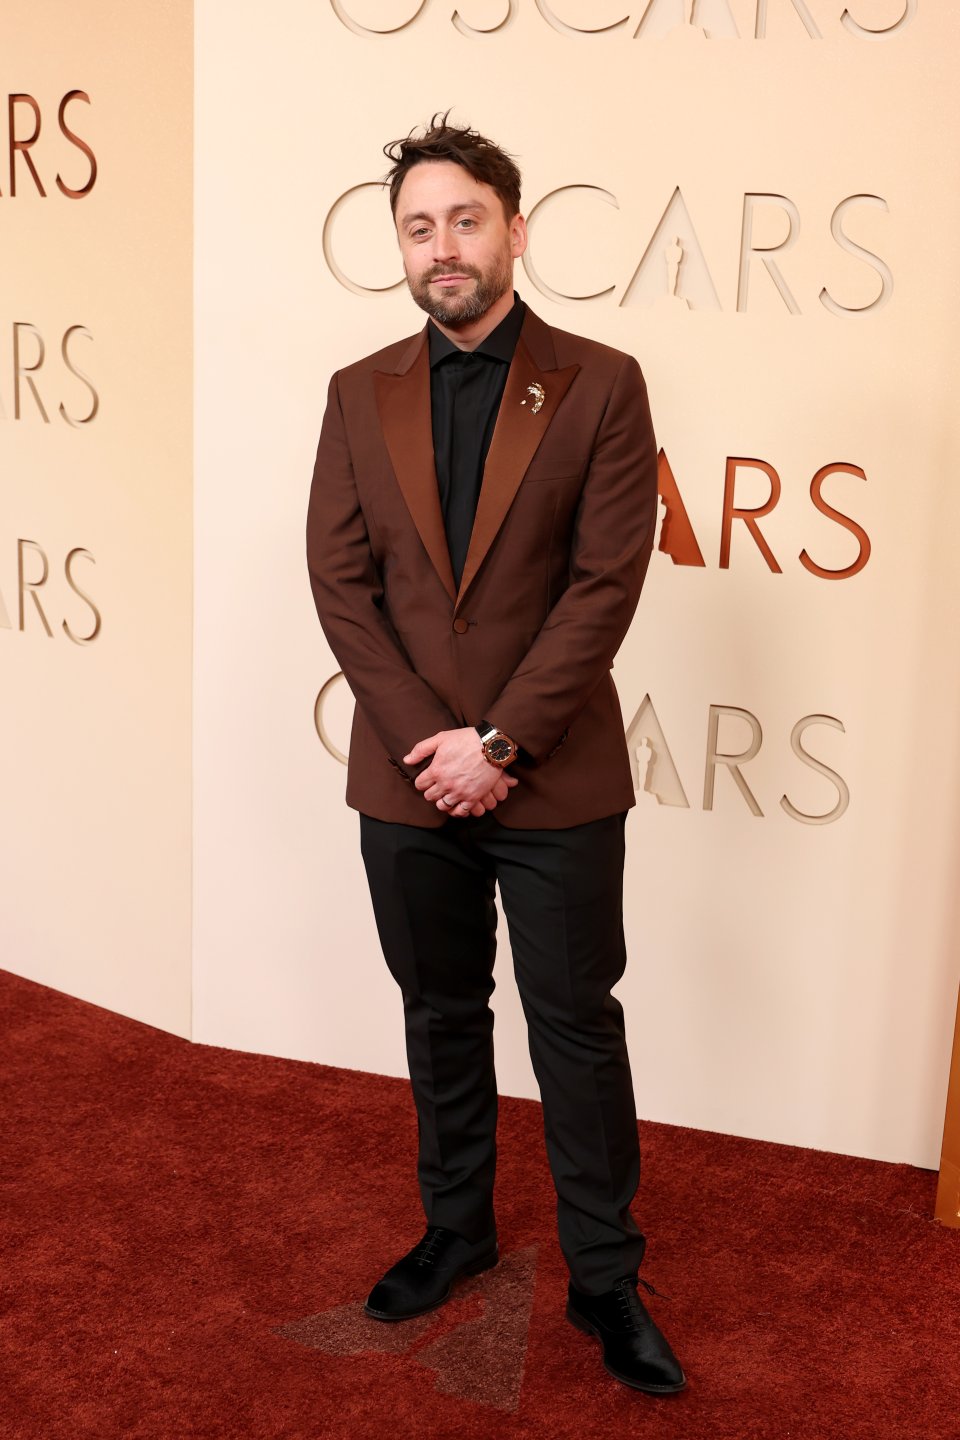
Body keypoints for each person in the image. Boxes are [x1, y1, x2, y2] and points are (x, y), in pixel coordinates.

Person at [305, 113, 685, 1396]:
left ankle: (605, 1278)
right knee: (439, 1014)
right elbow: (341, 584)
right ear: (400, 248)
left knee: (575, 1027)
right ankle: (456, 1231)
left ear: (515, 232)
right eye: (419, 228)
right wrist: (434, 745)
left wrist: (503, 744)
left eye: (465, 220)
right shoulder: (357, 391)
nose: (443, 247)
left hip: (554, 775)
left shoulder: (602, 382)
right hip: (408, 778)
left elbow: (603, 585)